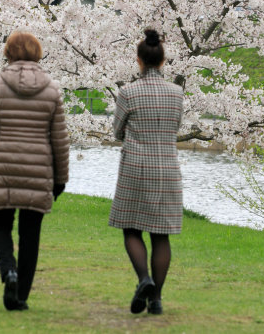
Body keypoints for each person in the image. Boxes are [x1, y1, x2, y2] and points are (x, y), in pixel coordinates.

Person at [0, 31, 70, 311]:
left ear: (8, 53)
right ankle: (21, 295)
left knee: (0, 226)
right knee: (30, 234)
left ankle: (8, 271)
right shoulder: (52, 89)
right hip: (39, 170)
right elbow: (59, 138)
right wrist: (61, 179)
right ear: (38, 53)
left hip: (3, 167)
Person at [108, 29, 184, 316]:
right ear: (163, 61)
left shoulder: (128, 92)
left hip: (136, 167)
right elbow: (175, 127)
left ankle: (144, 280)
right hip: (166, 167)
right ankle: (157, 300)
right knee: (161, 235)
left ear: (138, 61)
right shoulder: (176, 93)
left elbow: (117, 132)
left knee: (131, 228)